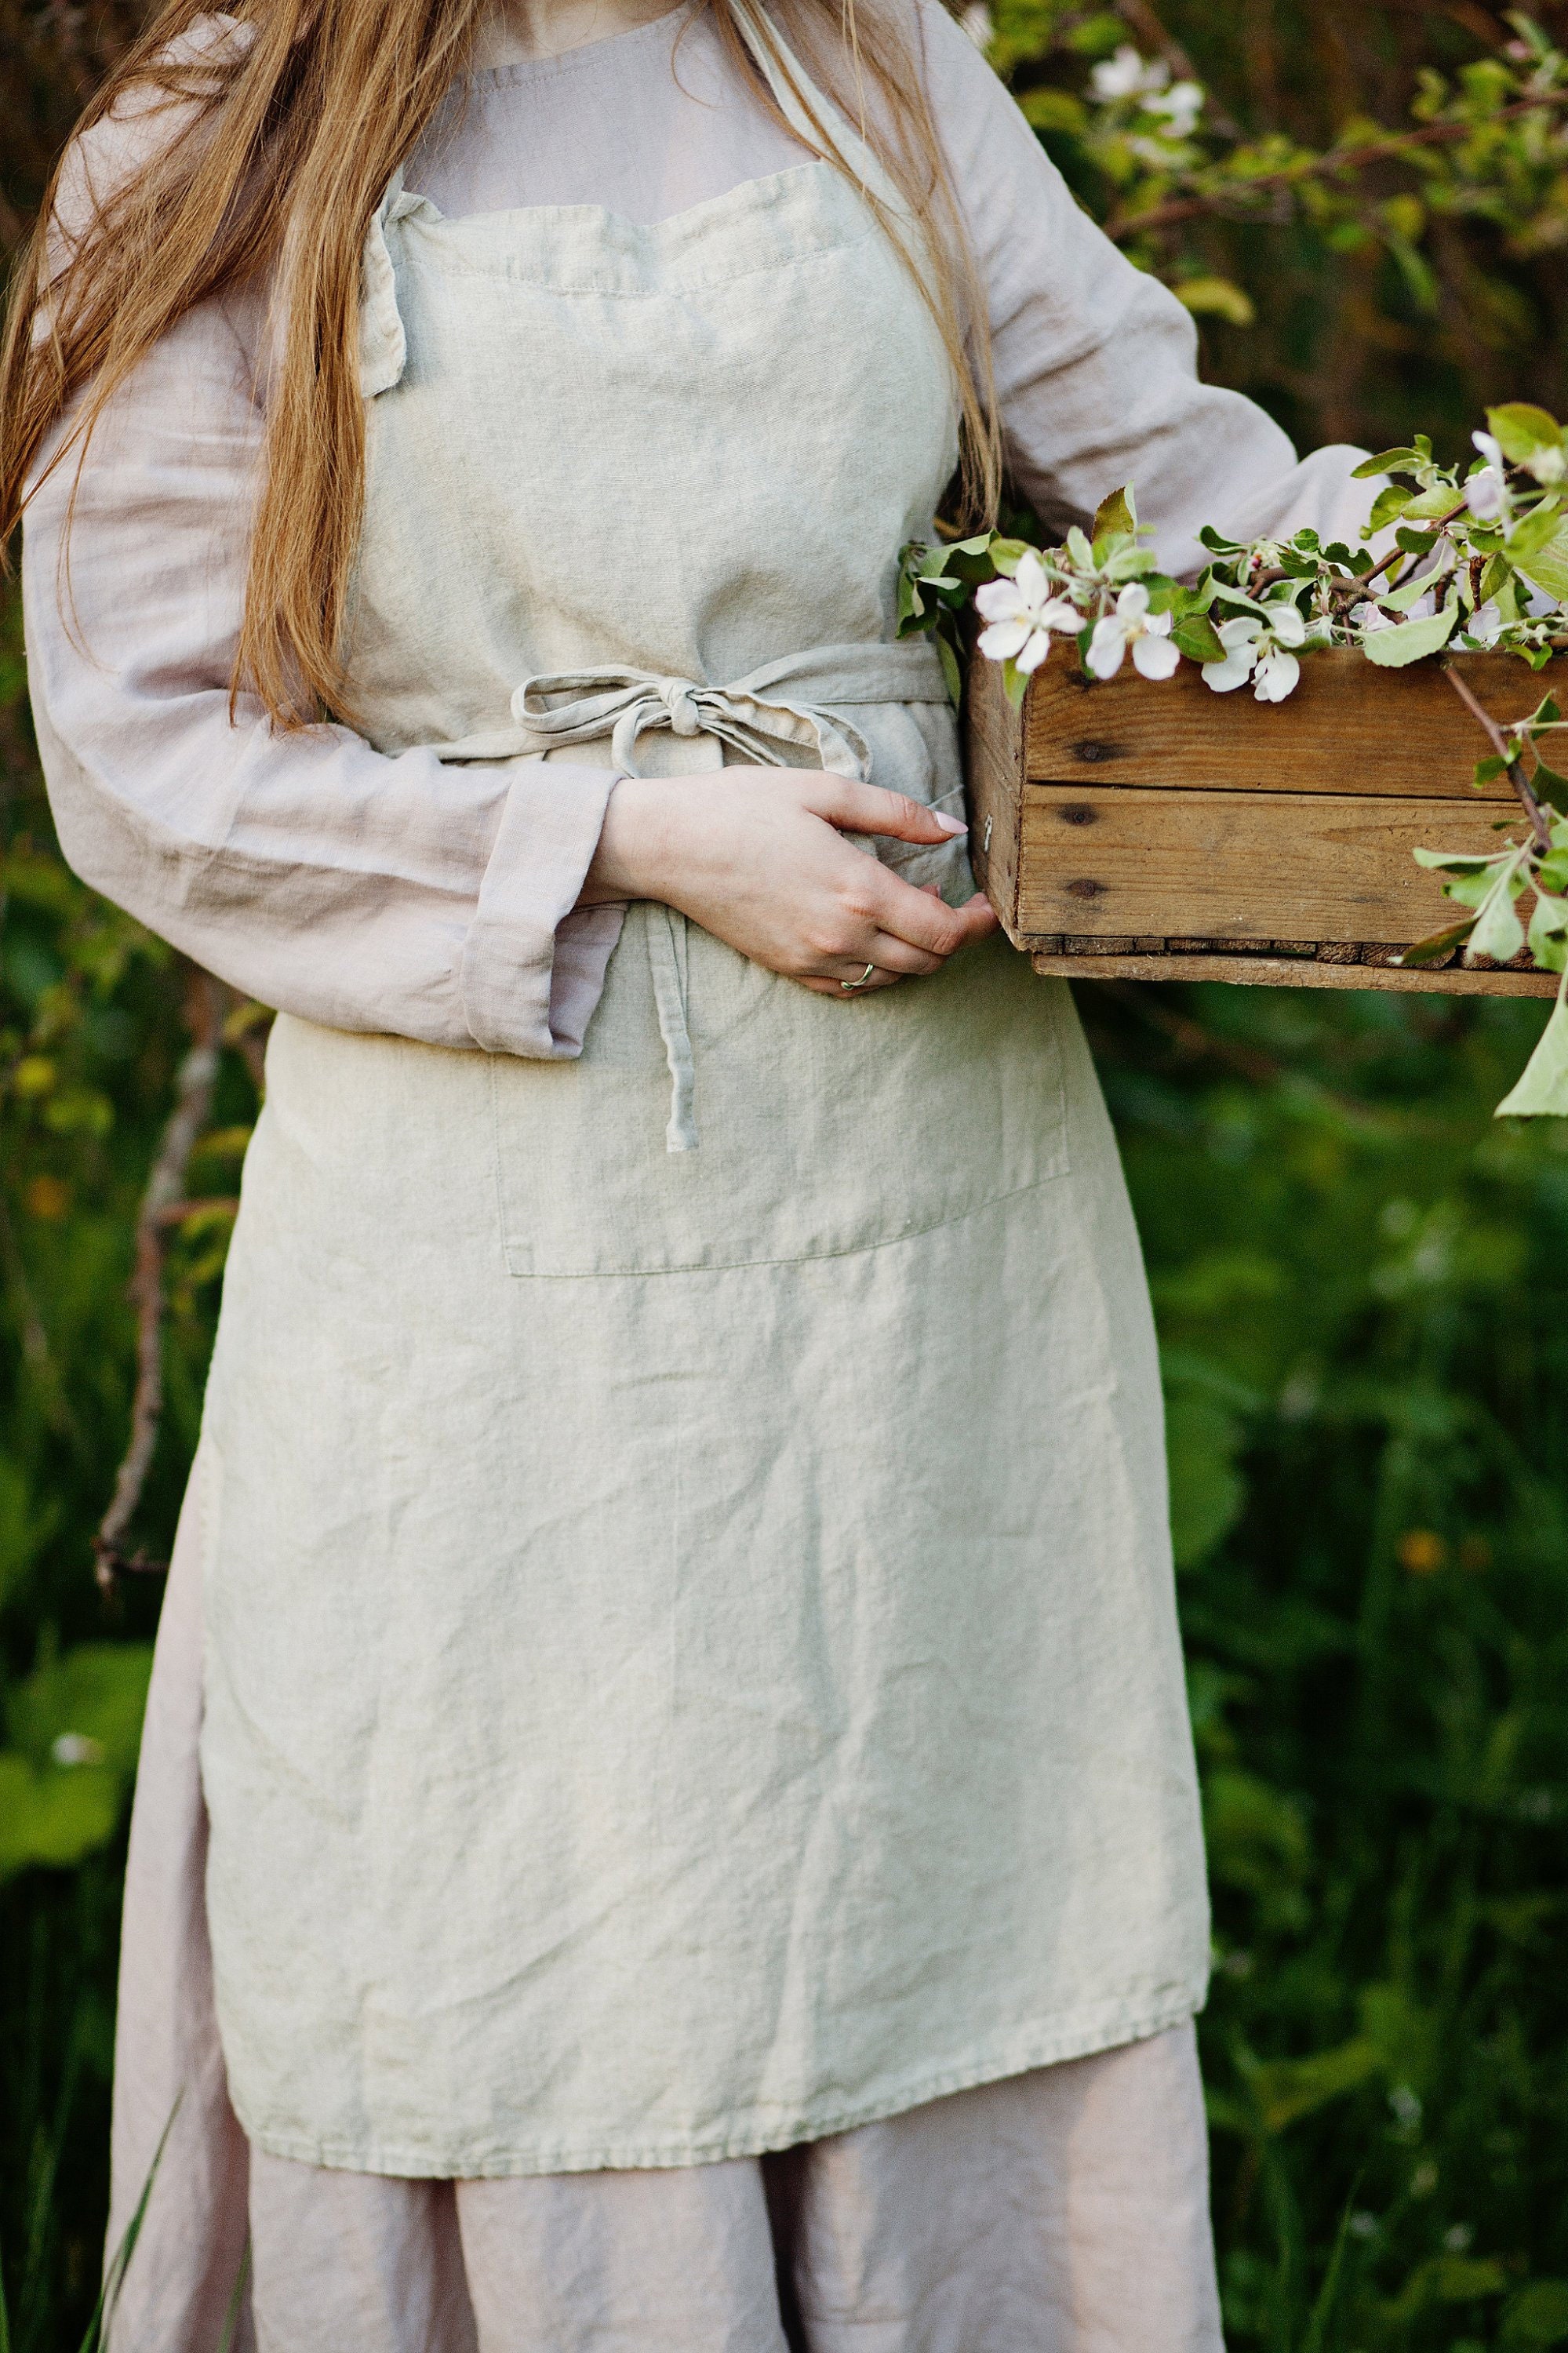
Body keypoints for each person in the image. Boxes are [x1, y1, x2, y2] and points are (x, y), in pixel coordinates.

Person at [5, 0, 1376, 2342]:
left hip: (923, 1206)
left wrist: (1481, 600)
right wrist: (630, 838)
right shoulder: (219, 121)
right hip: (479, 1232)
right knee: (530, 1922)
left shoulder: (869, 53)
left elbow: (1185, 479)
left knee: (925, 1866)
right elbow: (148, 761)